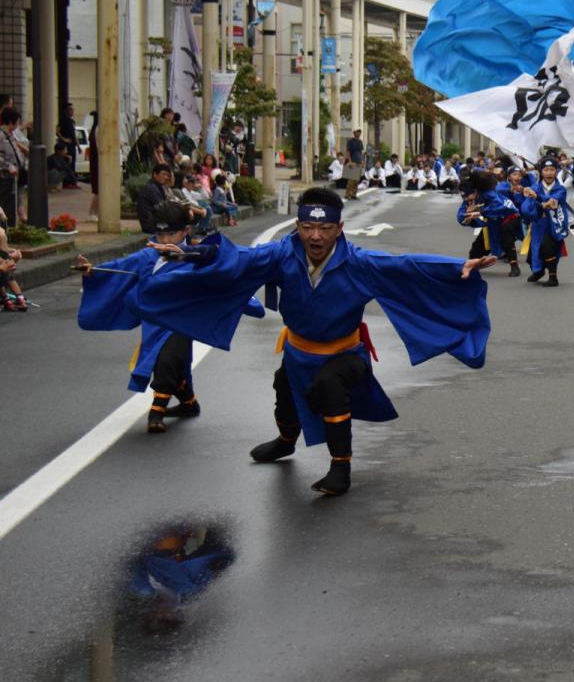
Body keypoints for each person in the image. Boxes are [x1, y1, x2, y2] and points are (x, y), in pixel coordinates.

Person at [133, 188, 494, 495]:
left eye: (324, 228)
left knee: (329, 385)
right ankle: (286, 441)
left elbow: (405, 267)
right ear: (297, 227)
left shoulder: (359, 262)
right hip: (298, 350)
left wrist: (453, 268)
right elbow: (240, 260)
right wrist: (195, 253)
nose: (316, 236)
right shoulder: (280, 255)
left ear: (339, 228)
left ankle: (341, 467)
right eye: (308, 227)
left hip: (344, 353)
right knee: (284, 390)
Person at [76, 201, 265, 432]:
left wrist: (242, 299)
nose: (165, 240)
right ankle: (189, 402)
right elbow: (118, 267)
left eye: (171, 234)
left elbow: (222, 275)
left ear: (186, 231)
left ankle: (156, 411)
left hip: (183, 322)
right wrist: (93, 271)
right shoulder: (147, 256)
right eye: (160, 234)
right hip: (154, 322)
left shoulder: (196, 255)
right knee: (177, 365)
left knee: (166, 360)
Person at [458, 169, 523, 277]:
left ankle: (514, 266)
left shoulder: (489, 194)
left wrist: (480, 211)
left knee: (506, 236)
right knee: (475, 250)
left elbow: (499, 207)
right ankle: (472, 265)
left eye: (467, 196)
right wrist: (466, 218)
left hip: (510, 215)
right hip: (493, 222)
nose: (465, 199)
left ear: (475, 192)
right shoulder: (468, 200)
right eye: (463, 197)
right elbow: (460, 215)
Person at [520, 157, 570, 287]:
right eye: (546, 170)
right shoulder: (535, 187)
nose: (549, 173)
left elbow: (552, 200)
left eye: (552, 169)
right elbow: (526, 207)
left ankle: (553, 277)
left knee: (546, 246)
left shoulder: (561, 189)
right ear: (541, 172)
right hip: (538, 226)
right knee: (533, 255)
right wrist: (534, 213)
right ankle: (539, 272)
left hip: (554, 225)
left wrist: (538, 199)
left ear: (556, 171)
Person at [56, 102, 80, 184]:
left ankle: (72, 181)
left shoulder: (72, 122)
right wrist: (63, 139)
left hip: (72, 145)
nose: (72, 111)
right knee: (67, 162)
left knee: (73, 162)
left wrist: (78, 146)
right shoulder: (63, 121)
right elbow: (57, 131)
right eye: (70, 109)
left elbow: (74, 135)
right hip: (66, 146)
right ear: (66, 111)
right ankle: (67, 182)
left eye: (73, 110)